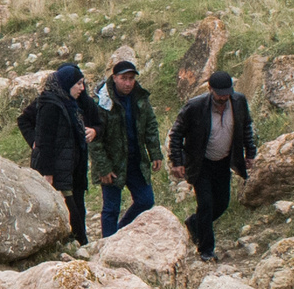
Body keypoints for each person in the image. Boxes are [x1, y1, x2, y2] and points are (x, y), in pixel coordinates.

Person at [168, 70, 254, 260]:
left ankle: (195, 223)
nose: (223, 97)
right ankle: (206, 250)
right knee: (206, 204)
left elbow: (246, 126)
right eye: (219, 93)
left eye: (227, 92)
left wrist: (250, 153)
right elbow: (176, 134)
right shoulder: (195, 106)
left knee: (222, 203)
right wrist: (177, 161)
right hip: (201, 163)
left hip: (223, 161)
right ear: (210, 89)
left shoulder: (239, 102)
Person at [87, 58, 163, 239]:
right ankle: (107, 244)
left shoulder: (140, 98)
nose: (128, 83)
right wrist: (103, 168)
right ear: (114, 78)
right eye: (124, 78)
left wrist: (155, 153)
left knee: (146, 200)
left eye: (131, 78)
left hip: (136, 160)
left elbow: (150, 125)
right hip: (112, 163)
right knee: (111, 208)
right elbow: (93, 140)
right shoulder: (102, 102)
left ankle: (120, 232)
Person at [27, 63, 95, 245]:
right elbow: (45, 142)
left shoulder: (71, 104)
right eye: (78, 83)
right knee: (71, 210)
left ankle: (76, 244)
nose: (82, 88)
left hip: (70, 169)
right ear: (67, 83)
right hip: (56, 170)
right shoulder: (51, 105)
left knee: (76, 209)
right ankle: (83, 247)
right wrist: (47, 173)